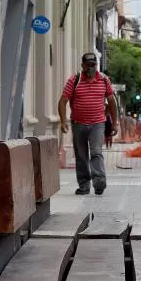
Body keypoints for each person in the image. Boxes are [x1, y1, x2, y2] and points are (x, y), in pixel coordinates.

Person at [58, 52, 117, 195]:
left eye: (94, 65)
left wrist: (114, 122)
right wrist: (63, 121)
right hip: (78, 124)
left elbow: (112, 101)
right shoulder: (75, 80)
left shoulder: (104, 80)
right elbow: (63, 101)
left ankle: (99, 182)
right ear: (82, 65)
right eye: (88, 65)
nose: (91, 68)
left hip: (98, 124)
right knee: (81, 155)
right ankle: (84, 185)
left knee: (96, 152)